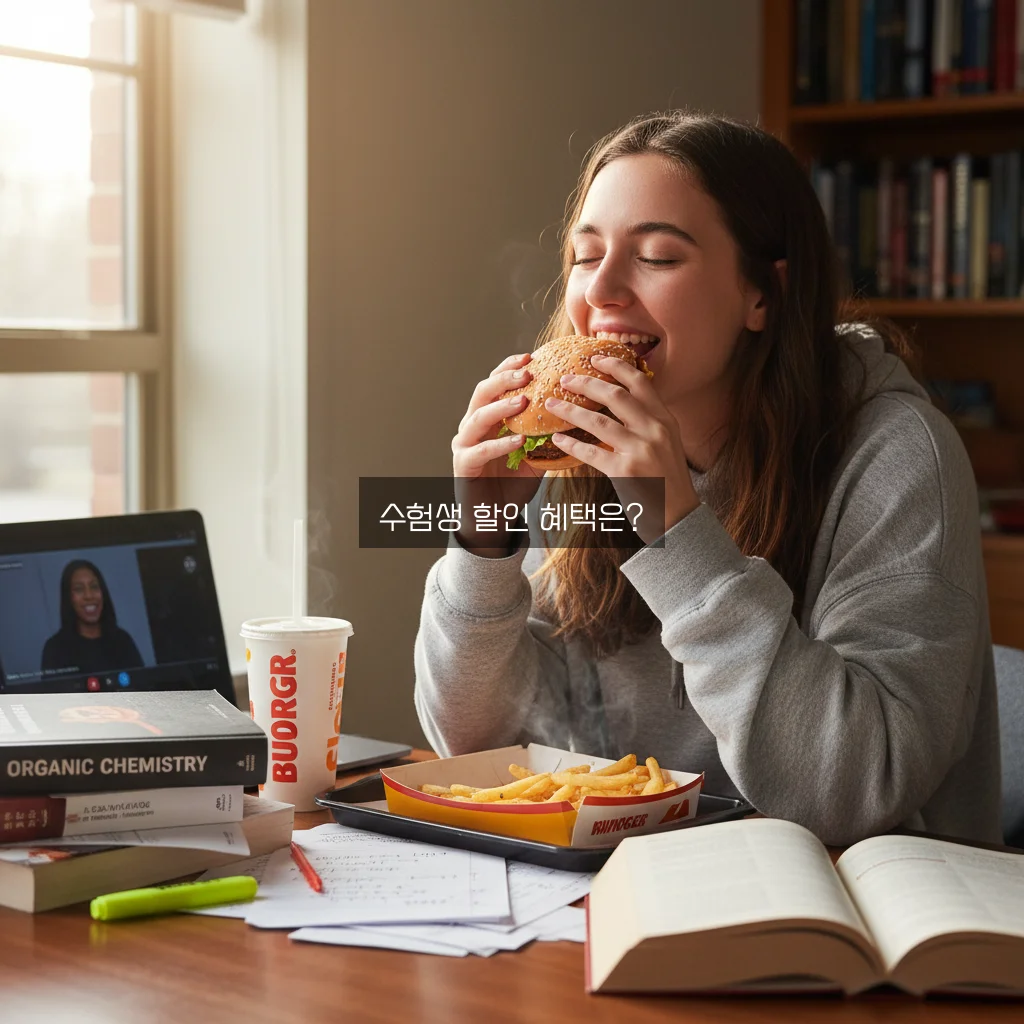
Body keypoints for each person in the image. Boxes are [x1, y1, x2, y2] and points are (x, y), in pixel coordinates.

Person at [413, 111, 1002, 847]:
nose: (604, 292)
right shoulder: (579, 454)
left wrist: (677, 532)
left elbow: (852, 790)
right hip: (628, 884)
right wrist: (483, 543)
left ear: (763, 294)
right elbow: (476, 744)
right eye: (584, 255)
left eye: (657, 257)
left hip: (855, 919)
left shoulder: (897, 454)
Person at [41, 559, 144, 676]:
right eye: (79, 589)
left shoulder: (122, 640)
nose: (89, 596)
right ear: (68, 597)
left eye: (94, 587)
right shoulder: (55, 649)